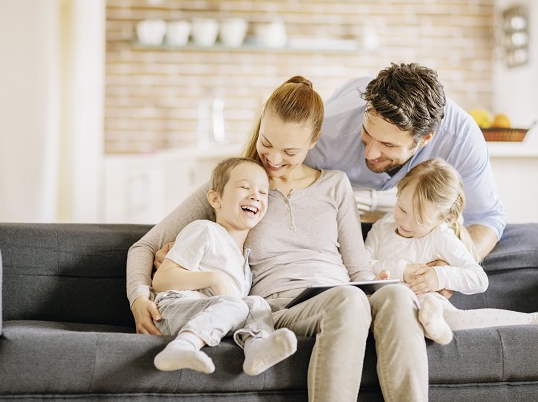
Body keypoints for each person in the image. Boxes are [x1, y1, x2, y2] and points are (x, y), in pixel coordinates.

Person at [127, 76, 430, 401]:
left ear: (314, 141)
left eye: (289, 151)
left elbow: (358, 271)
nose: (273, 159)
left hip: (343, 292)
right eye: (266, 143)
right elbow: (144, 245)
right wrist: (139, 298)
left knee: (397, 296)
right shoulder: (239, 187)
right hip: (283, 305)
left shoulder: (335, 185)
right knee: (349, 300)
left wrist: (377, 283)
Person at [304, 62, 506, 261]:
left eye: (388, 145)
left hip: (406, 199)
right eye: (366, 133)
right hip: (342, 187)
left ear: (425, 139)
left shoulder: (461, 138)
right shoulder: (325, 131)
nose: (370, 153)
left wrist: (449, 268)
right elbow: (278, 165)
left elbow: (487, 218)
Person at [365, 158, 538, 345]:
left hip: (425, 301)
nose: (404, 220)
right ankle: (436, 328)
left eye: (419, 220)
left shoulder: (440, 236)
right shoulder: (383, 226)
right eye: (401, 208)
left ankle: (535, 319)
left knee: (451, 315)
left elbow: (478, 279)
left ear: (442, 219)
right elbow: (361, 263)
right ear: (398, 192)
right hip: (387, 303)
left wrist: (439, 276)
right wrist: (402, 270)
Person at [151, 157, 297, 375]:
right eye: (244, 187)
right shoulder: (205, 231)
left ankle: (256, 348)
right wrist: (213, 279)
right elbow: (161, 280)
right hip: (173, 310)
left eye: (263, 192)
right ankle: (182, 345)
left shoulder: (245, 262)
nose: (254, 195)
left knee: (257, 303)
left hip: (213, 316)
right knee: (237, 306)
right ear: (216, 199)